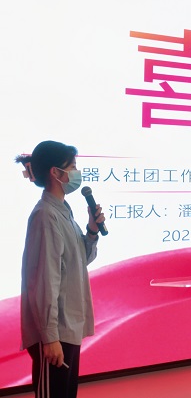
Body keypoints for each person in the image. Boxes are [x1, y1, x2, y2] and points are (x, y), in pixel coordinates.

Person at [15, 141, 105, 398]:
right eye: (72, 167)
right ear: (55, 172)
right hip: (55, 332)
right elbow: (45, 281)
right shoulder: (45, 216)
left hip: (67, 328)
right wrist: (50, 337)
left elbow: (79, 260)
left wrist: (92, 231)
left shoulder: (63, 211)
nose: (77, 173)